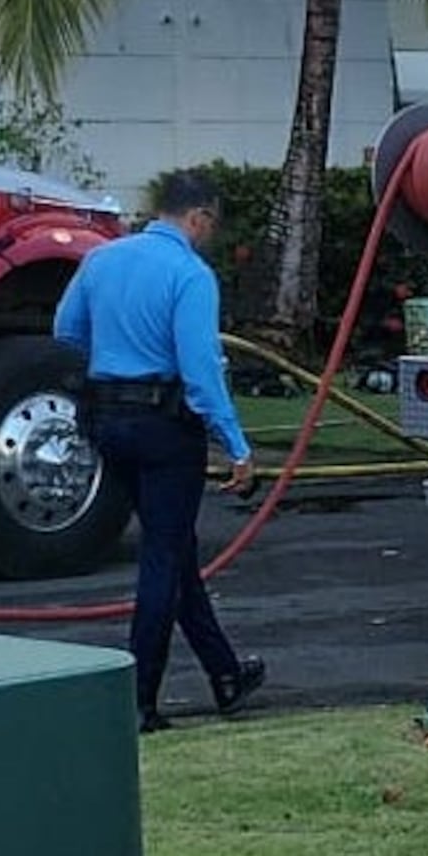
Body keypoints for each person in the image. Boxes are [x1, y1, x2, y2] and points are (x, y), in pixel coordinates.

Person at [55, 169, 264, 734]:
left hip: (106, 417)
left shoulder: (101, 260)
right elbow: (199, 371)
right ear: (198, 218)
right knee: (162, 561)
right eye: (210, 226)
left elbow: (66, 330)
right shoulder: (190, 275)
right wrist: (237, 446)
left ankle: (224, 673)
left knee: (175, 553)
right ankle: (140, 697)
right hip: (165, 426)